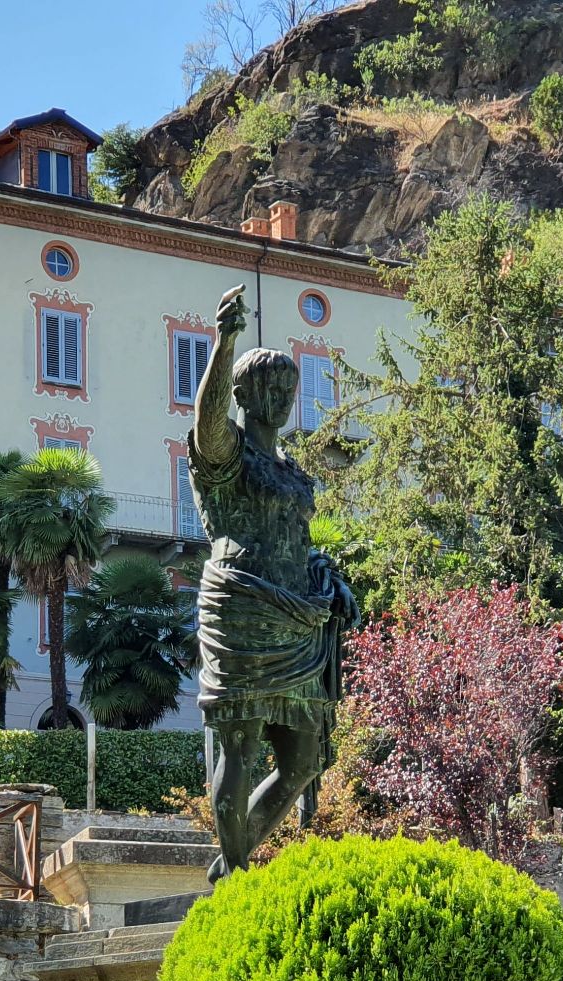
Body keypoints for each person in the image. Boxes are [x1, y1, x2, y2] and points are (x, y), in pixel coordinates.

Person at [189, 284, 359, 879]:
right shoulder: (227, 454)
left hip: (298, 617)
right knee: (240, 745)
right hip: (243, 608)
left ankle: (228, 867)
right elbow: (207, 421)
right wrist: (225, 341)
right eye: (272, 388)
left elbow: (299, 539)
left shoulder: (291, 467)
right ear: (244, 394)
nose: (284, 399)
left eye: (290, 389)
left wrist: (324, 573)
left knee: (304, 761)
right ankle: (237, 874)